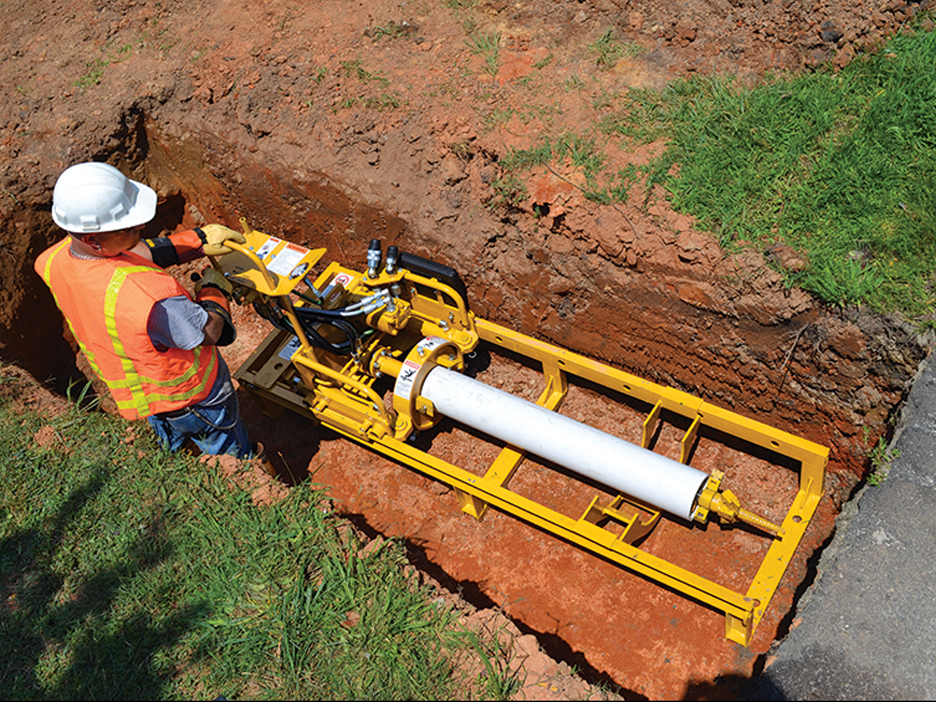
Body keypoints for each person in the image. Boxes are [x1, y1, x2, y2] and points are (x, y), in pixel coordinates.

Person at [34, 161, 256, 459]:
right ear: (92, 239)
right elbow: (213, 331)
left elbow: (127, 253)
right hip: (194, 397)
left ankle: (179, 459)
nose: (140, 227)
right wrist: (213, 289)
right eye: (127, 227)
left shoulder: (53, 259)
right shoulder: (147, 295)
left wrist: (199, 242)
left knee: (173, 444)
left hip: (147, 395)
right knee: (226, 449)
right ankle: (244, 478)